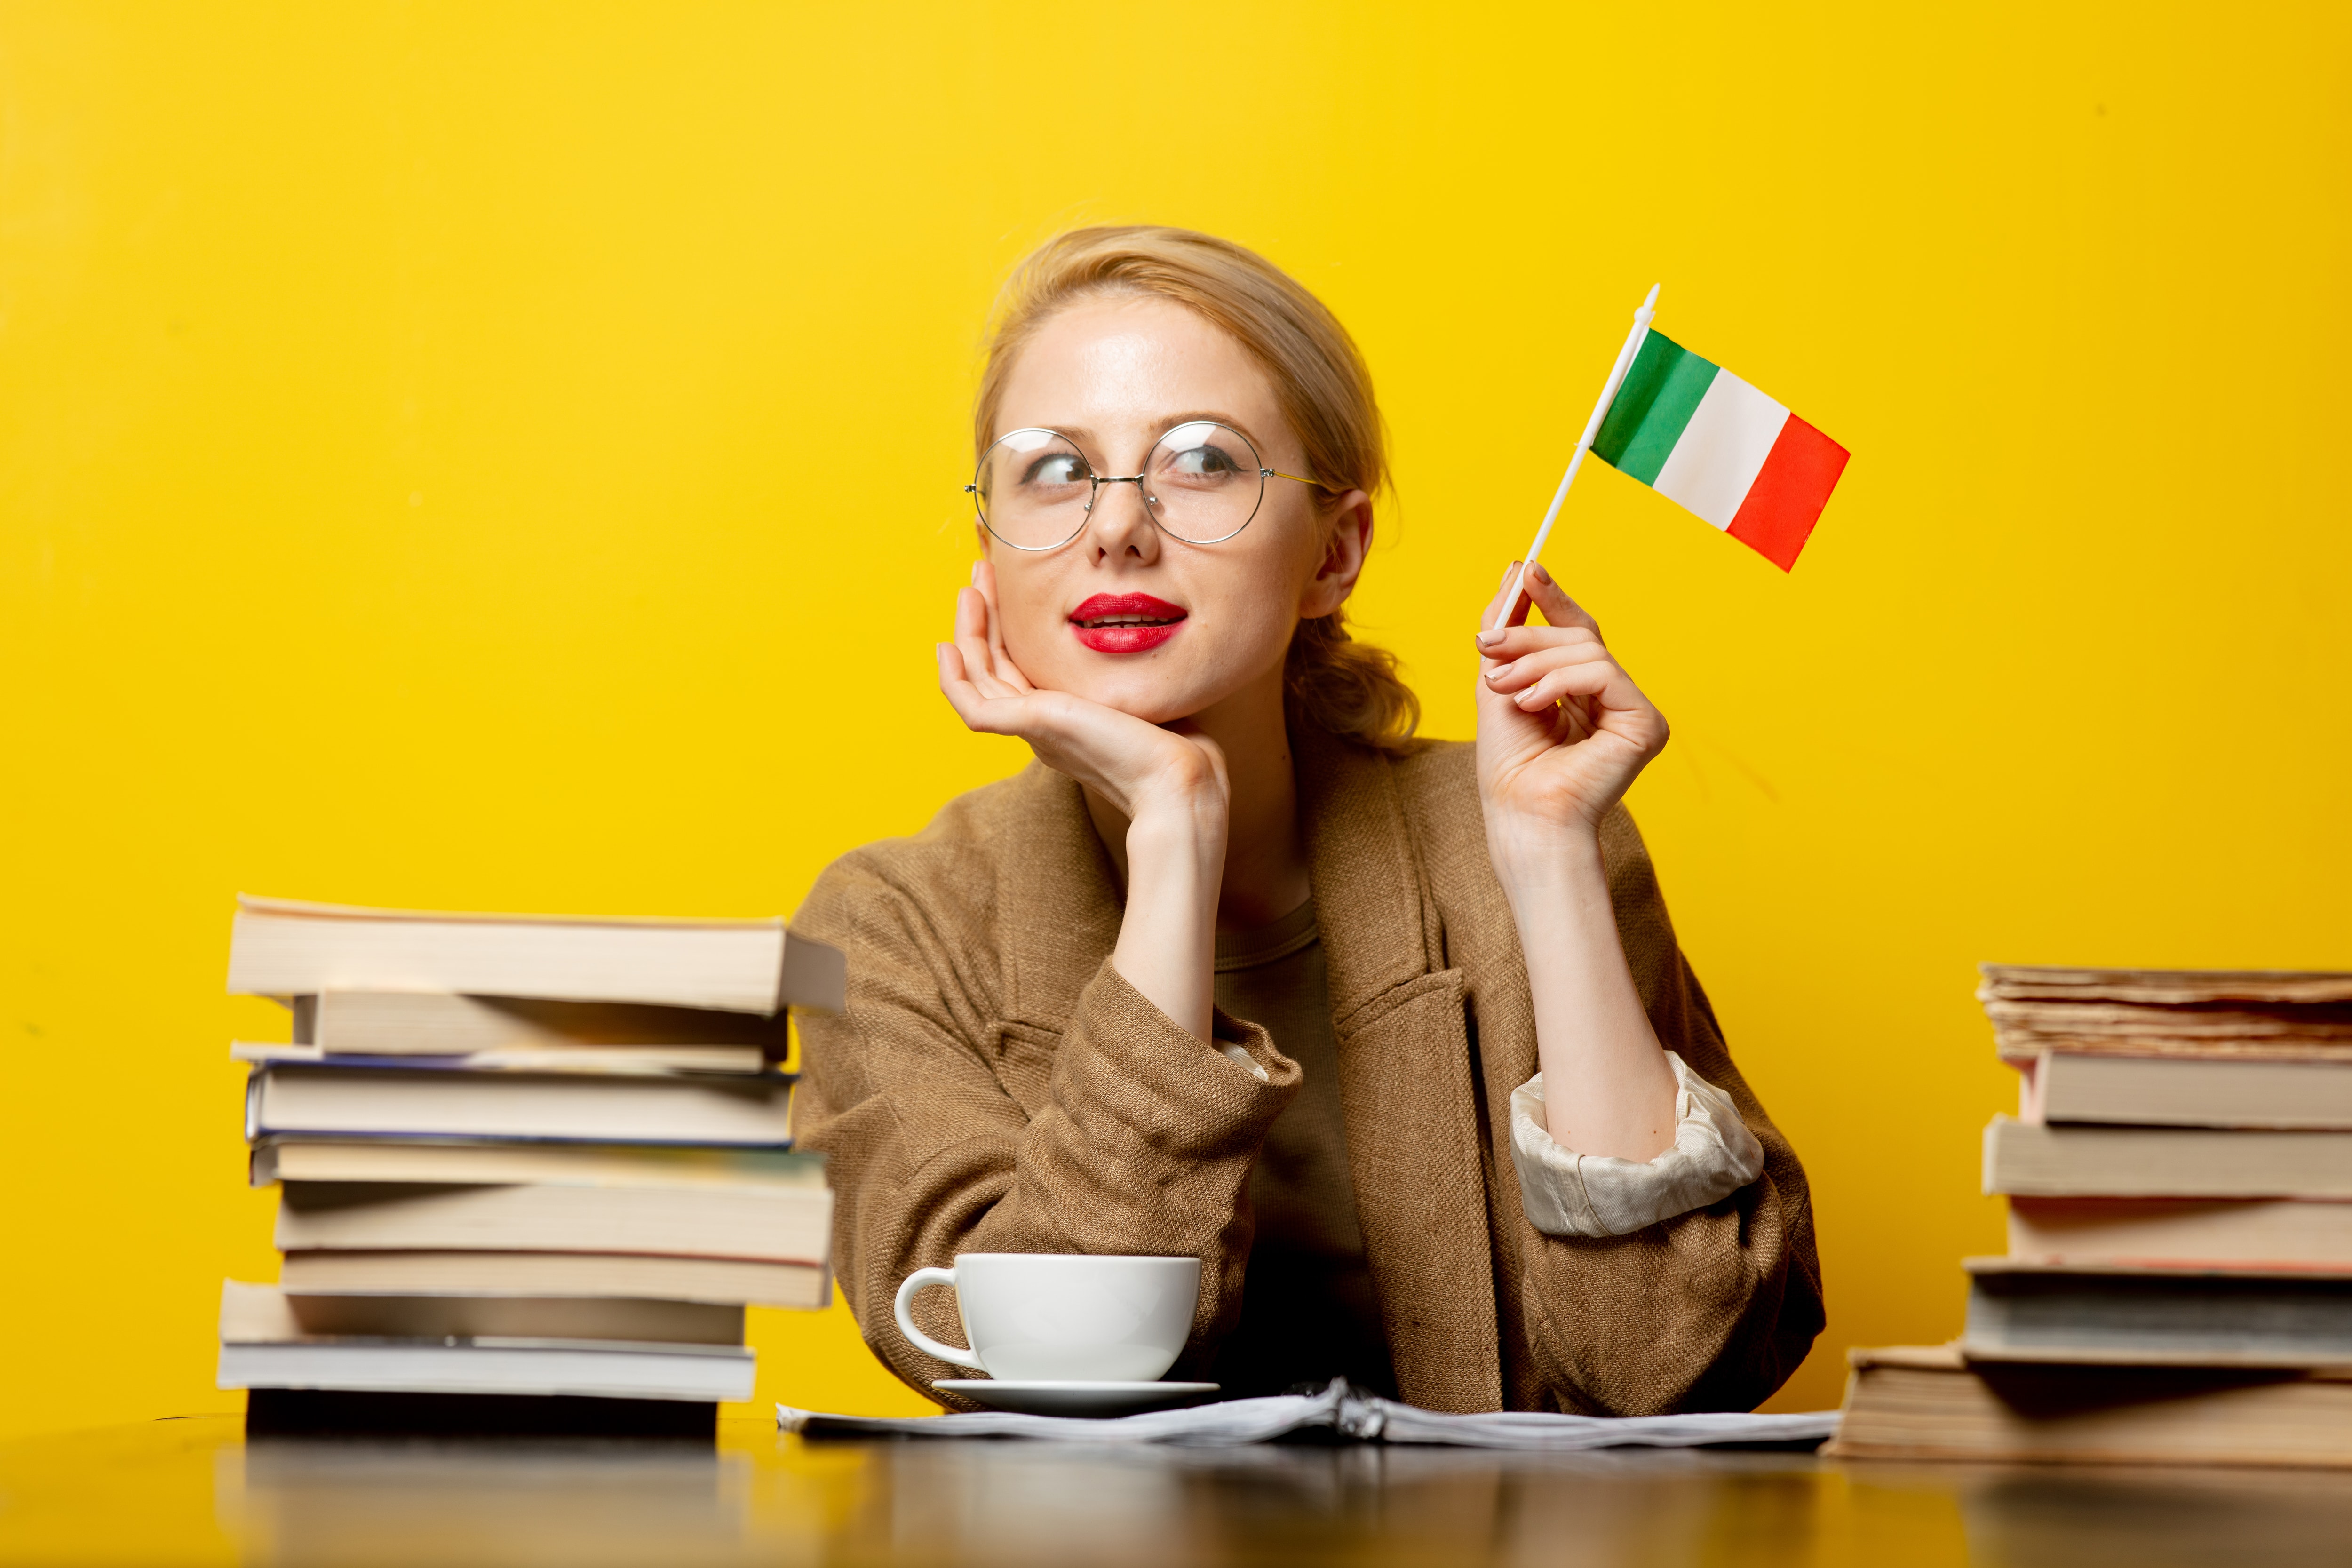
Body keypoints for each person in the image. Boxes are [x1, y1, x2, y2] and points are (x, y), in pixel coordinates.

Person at [792, 226, 1823, 1415]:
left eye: (1201, 461)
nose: (1117, 527)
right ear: (989, 546)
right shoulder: (888, 926)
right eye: (1055, 469)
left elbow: (1674, 1369)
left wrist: (1548, 863)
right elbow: (1035, 1380)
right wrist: (1174, 833)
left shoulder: (1518, 837)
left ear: (1334, 554)